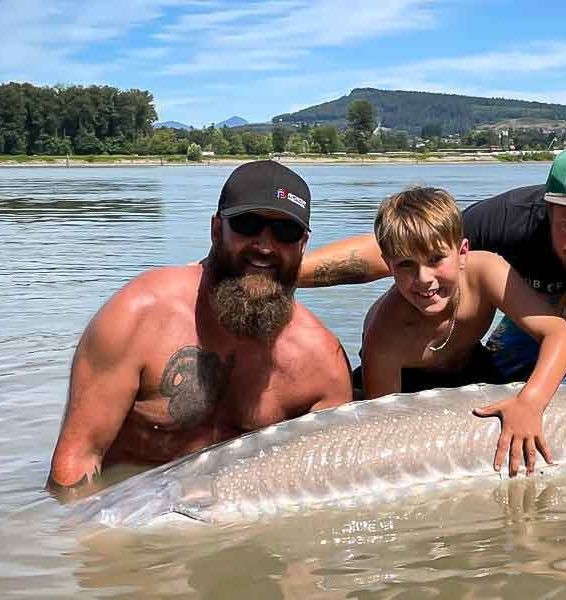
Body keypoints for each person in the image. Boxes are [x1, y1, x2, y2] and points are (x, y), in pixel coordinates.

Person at [48, 160, 352, 494]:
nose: (265, 246)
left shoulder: (323, 363)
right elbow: (77, 461)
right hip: (131, 517)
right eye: (248, 224)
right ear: (216, 229)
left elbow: (326, 486)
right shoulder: (139, 315)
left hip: (239, 523)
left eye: (285, 232)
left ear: (303, 244)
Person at [302, 141, 566, 387]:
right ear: (546, 211)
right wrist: (284, 272)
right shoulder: (510, 218)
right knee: (503, 388)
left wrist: (531, 404)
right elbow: (414, 244)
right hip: (539, 307)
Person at [359, 186, 566, 476]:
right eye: (406, 265)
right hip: (412, 385)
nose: (424, 279)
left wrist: (530, 402)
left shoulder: (485, 270)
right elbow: (386, 428)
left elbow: (561, 335)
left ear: (462, 252)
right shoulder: (383, 335)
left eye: (436, 259)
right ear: (389, 266)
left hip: (473, 365)